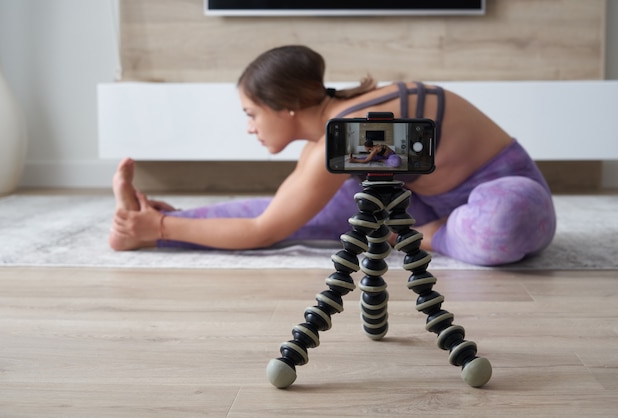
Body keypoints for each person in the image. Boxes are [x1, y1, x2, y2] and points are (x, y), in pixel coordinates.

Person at [109, 45, 556, 266]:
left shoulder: (353, 133)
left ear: (285, 107)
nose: (248, 127)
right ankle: (144, 231)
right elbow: (272, 218)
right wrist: (166, 223)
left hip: (500, 193)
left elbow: (262, 231)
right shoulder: (332, 138)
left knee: (504, 222)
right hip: (421, 200)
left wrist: (423, 234)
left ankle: (426, 235)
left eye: (251, 114)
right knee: (304, 215)